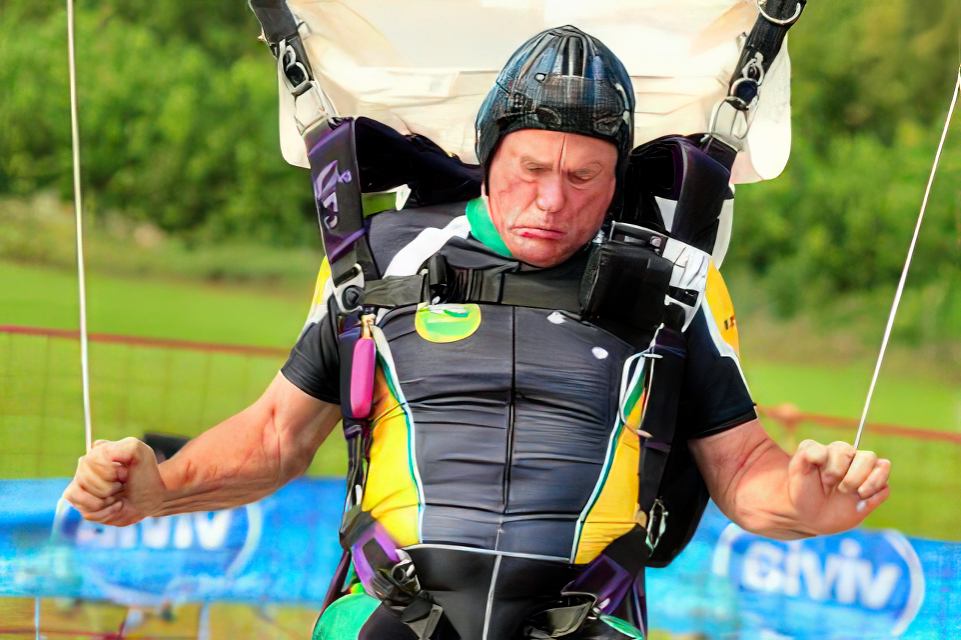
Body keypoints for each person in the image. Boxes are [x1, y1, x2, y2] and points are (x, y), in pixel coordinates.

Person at [64, 26, 891, 640]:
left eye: (582, 177)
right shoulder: (384, 254)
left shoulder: (677, 281)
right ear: (490, 154)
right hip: (388, 613)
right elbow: (277, 434)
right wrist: (162, 488)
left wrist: (810, 501)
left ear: (615, 179)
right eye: (530, 169)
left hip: (584, 619)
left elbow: (746, 472)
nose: (551, 200)